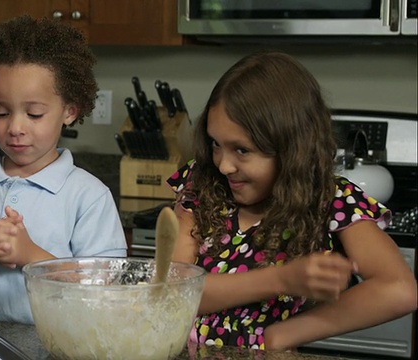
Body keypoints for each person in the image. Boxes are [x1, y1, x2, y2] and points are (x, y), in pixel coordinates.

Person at [167, 51, 417, 351]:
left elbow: (399, 289)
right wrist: (283, 279)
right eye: (216, 144)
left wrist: (289, 332)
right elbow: (174, 294)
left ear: (291, 150)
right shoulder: (201, 183)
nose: (224, 165)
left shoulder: (330, 201)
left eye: (242, 150)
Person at [0, 15, 127, 324]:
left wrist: (31, 256)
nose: (15, 127)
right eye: (1, 112)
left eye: (34, 113)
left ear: (69, 111)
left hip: (56, 348)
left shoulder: (89, 196)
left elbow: (107, 290)